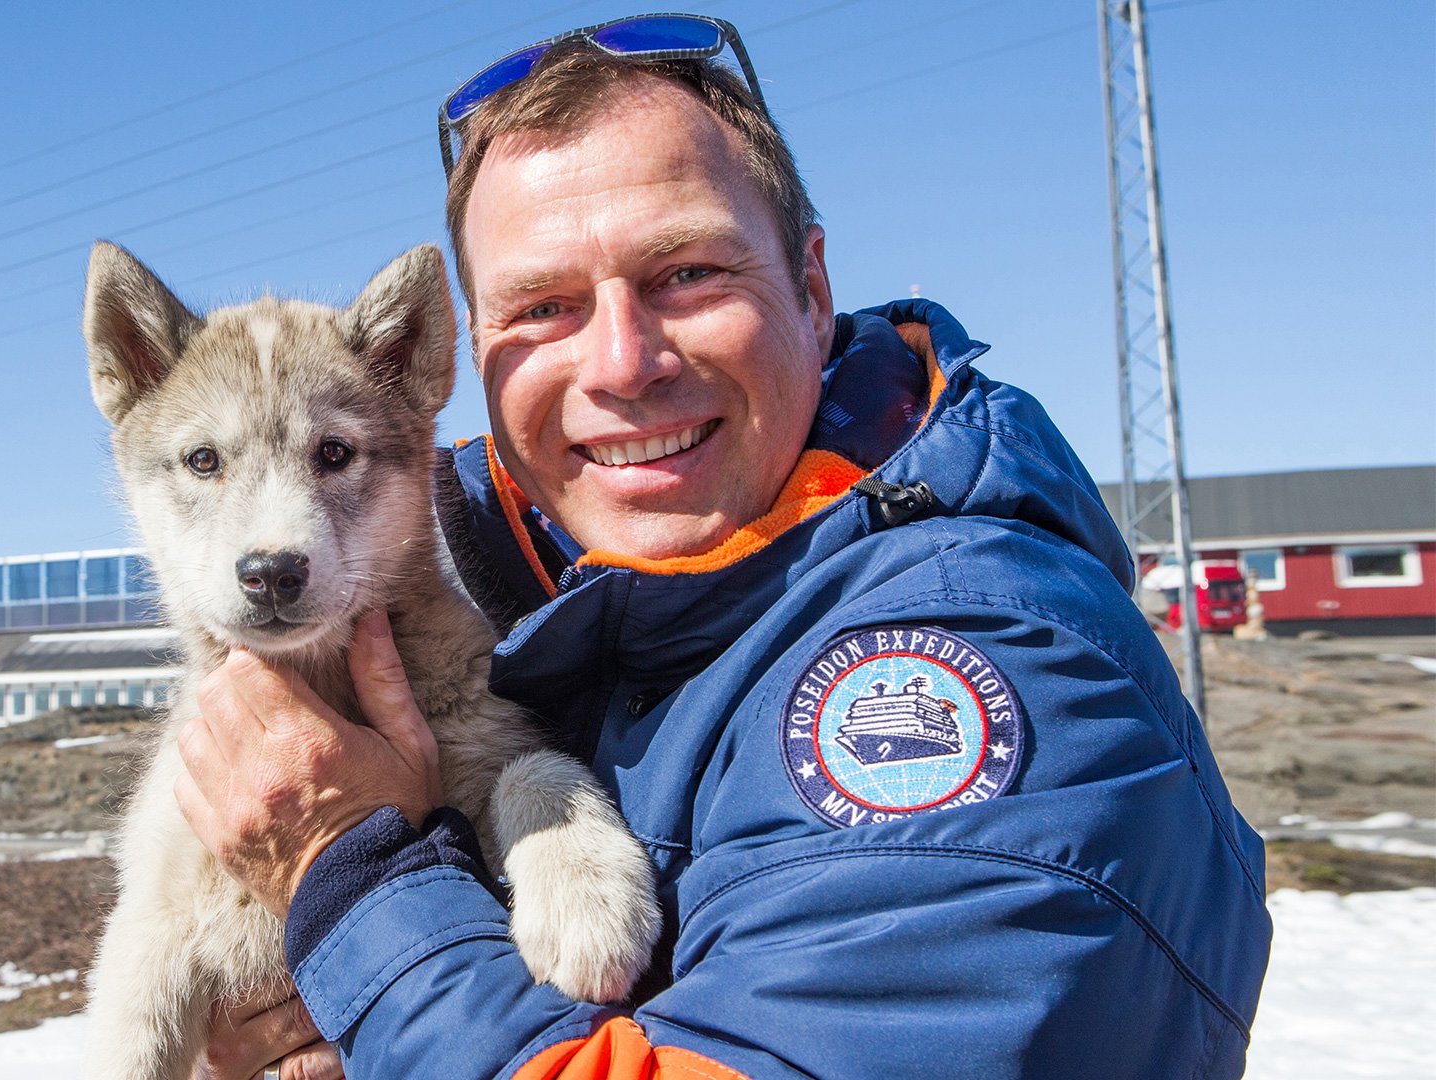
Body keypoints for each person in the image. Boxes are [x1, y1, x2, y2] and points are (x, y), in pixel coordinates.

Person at [173, 14, 1272, 1080]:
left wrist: (351, 885)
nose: (621, 362)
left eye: (687, 274)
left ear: (809, 286)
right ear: (470, 355)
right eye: (544, 306)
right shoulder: (533, 584)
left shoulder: (974, 675)